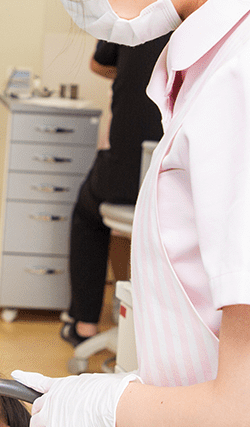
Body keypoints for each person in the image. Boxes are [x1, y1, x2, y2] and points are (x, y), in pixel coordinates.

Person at [14, 0, 250, 427]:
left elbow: (243, 416)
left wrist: (113, 404)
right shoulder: (208, 64)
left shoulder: (240, 74)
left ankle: (83, 320)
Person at [61, 34, 169, 346]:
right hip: (176, 182)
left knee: (87, 213)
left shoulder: (136, 20)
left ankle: (84, 324)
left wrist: (128, 69)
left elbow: (98, 63)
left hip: (124, 175)